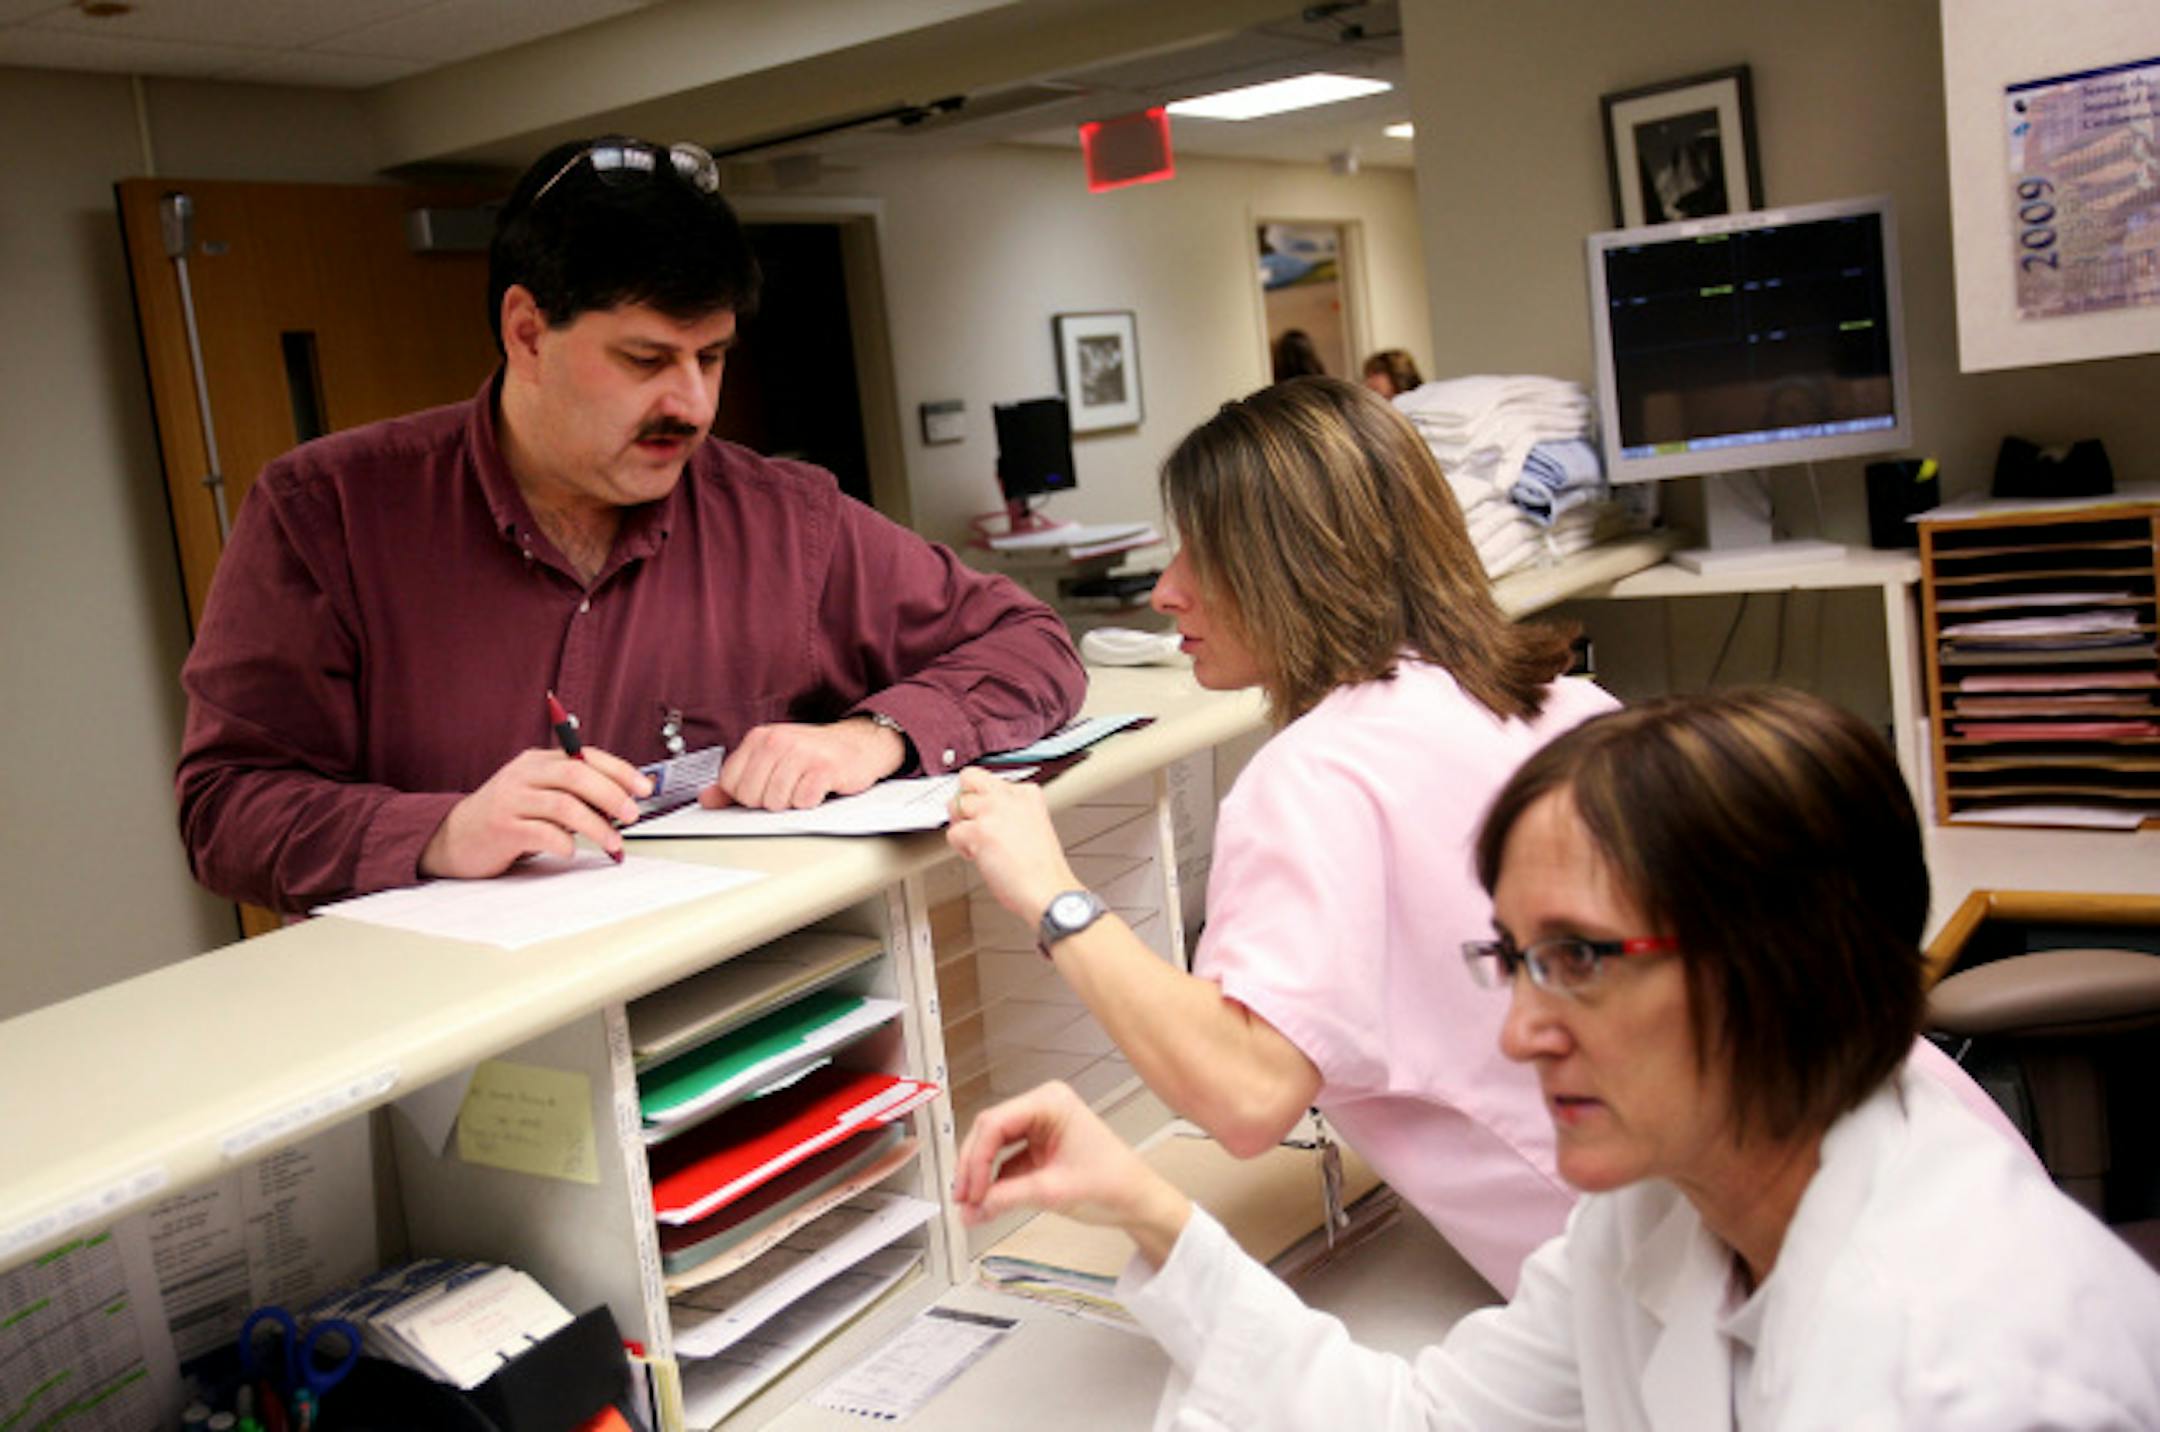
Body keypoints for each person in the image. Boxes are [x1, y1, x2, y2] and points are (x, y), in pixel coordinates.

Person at [954, 688, 2160, 1429]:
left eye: (1580, 959)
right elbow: (1424, 1421)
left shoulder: (1958, 1374)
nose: (1523, 1031)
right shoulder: (1667, 1205)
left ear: (1780, 962)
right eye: (1517, 958)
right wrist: (1147, 1207)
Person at [176, 136, 1084, 913]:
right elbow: (225, 808)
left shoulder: (785, 521)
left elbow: (1034, 643)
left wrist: (873, 736)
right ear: (527, 332)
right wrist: (439, 831)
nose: (690, 405)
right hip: (447, 1046)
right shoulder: (326, 514)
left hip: (751, 1007)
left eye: (712, 358)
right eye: (646, 359)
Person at [945, 376, 1617, 1295]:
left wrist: (1048, 891)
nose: (1167, 590)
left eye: (1204, 555)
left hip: (1632, 1291)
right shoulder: (1572, 706)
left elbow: (1249, 1097)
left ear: (1300, 565)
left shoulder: (1318, 772)